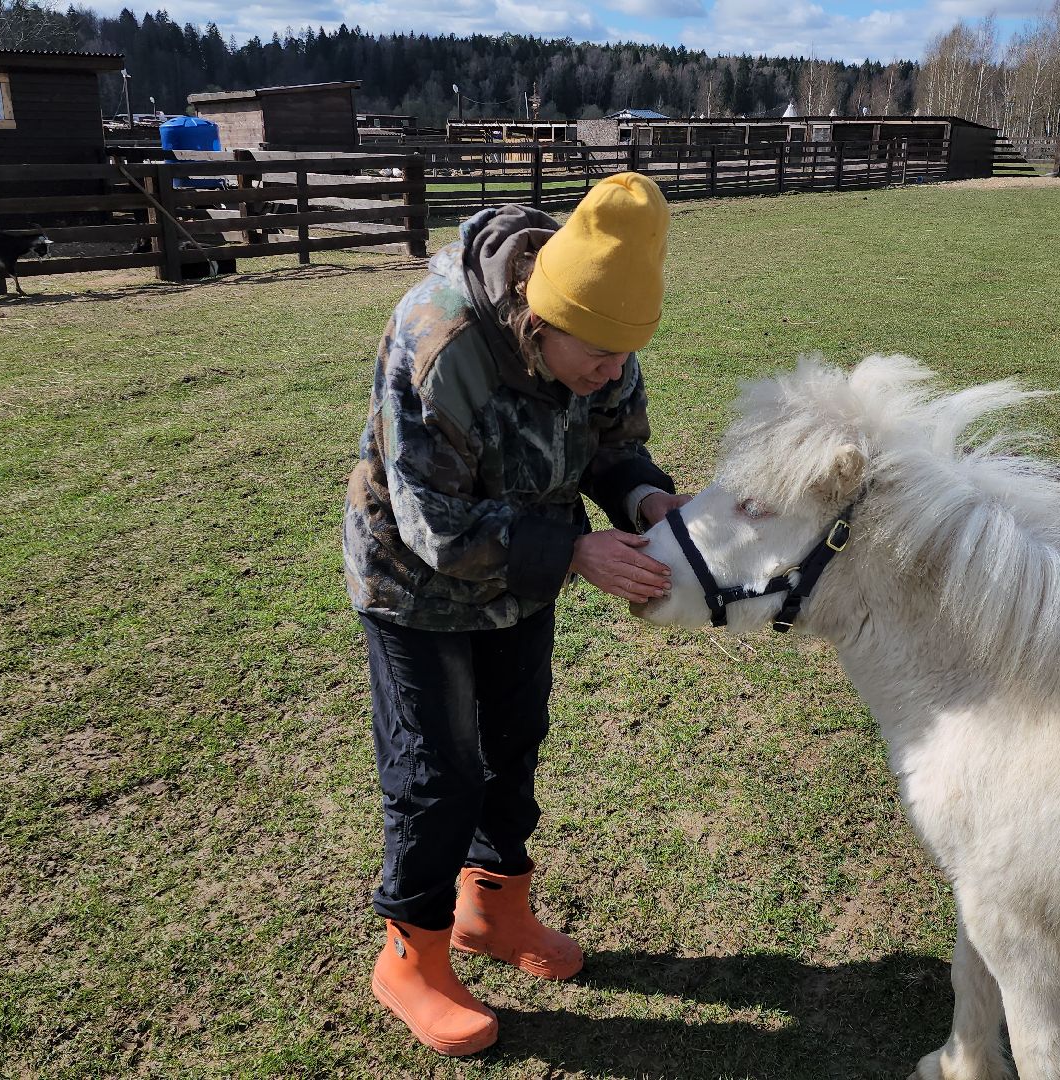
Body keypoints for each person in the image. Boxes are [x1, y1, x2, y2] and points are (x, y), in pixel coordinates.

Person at [341, 172, 691, 1056]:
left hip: (521, 576)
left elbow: (613, 443)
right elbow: (430, 523)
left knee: (513, 739)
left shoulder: (604, 332)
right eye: (599, 357)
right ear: (541, 319)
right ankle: (410, 958)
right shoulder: (441, 340)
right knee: (437, 770)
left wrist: (647, 499)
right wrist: (572, 551)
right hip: (413, 583)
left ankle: (492, 911)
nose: (612, 373)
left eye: (625, 357)